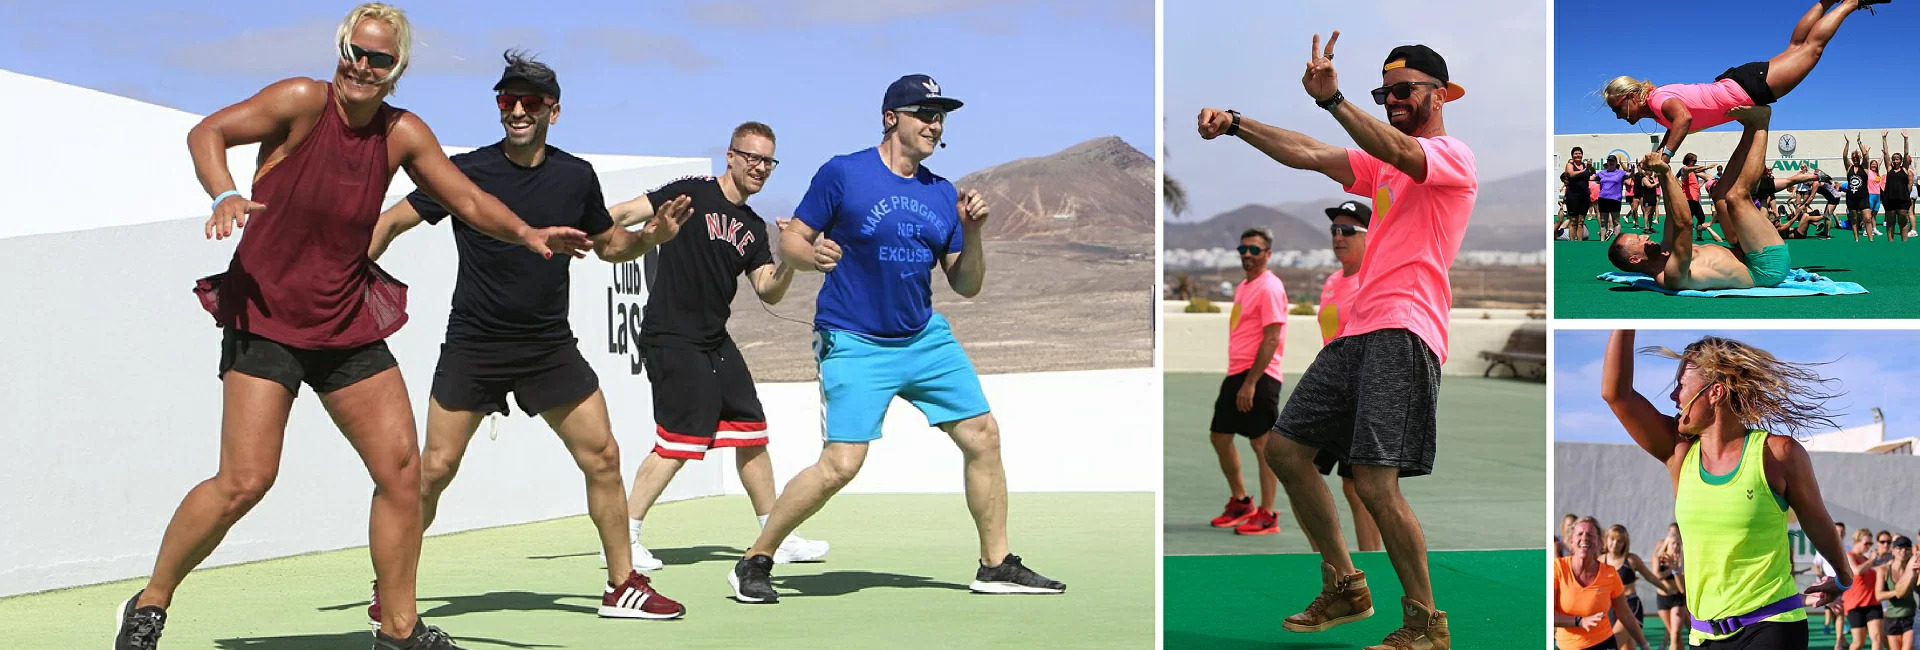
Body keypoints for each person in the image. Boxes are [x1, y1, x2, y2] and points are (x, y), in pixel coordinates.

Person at [113, 6, 595, 650]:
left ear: (397, 71)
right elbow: (207, 133)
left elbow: (469, 200)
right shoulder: (299, 101)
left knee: (402, 471)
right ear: (341, 52)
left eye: (379, 59)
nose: (363, 68)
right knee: (245, 480)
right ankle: (150, 602)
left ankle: (398, 628)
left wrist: (529, 233)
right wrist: (223, 192)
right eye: (355, 53)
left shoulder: (402, 133)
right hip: (267, 317)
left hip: (346, 322)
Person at [362, 50, 688, 623]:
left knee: (604, 457)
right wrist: (345, 277)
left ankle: (622, 587)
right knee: (432, 469)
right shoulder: (465, 172)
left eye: (529, 102)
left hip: (547, 348)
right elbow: (392, 220)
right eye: (506, 100)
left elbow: (609, 246)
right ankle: (390, 587)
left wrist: (650, 237)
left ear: (552, 112)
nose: (515, 109)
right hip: (474, 345)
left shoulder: (574, 176)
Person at [725, 74, 1066, 603]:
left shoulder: (942, 193)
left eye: (941, 115)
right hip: (854, 338)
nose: (934, 123)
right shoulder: (844, 173)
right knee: (842, 464)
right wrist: (808, 257)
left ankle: (995, 565)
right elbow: (792, 235)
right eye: (923, 113)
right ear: (891, 118)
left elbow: (967, 285)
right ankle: (756, 558)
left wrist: (973, 233)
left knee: (983, 434)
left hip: (924, 338)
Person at [1198, 35, 1477, 649]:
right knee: (1287, 453)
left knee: (1375, 484)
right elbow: (1310, 153)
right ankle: (1345, 584)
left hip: (1405, 330)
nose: (1392, 101)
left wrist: (1336, 100)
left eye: (1403, 90)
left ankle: (1426, 625)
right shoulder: (1382, 164)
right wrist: (1238, 122)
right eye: (1384, 93)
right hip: (1356, 333)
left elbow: (1402, 149)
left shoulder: (1452, 158)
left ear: (1444, 93)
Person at [605, 122, 831, 571]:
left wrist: (788, 259)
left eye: (768, 161)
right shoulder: (692, 191)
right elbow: (625, 212)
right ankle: (624, 537)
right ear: (730, 156)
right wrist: (589, 228)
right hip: (671, 336)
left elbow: (768, 289)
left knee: (751, 429)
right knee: (680, 440)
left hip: (714, 340)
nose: (760, 168)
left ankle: (775, 535)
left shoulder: (751, 225)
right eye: (752, 157)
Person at [1601, 330, 1852, 649]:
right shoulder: (1679, 454)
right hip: (1703, 634)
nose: (1673, 396)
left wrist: (1843, 578)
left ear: (1715, 392)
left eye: (1681, 386)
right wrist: (1624, 319)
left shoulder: (1777, 454)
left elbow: (1817, 520)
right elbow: (1616, 395)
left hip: (1772, 625)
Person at [1602, 0, 1886, 158]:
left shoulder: (1658, 99)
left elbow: (1684, 120)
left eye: (1617, 108)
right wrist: (1661, 151)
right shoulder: (1657, 104)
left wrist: (1665, 157)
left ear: (1629, 98)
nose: (1617, 116)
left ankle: (1850, 2)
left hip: (1748, 88)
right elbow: (1676, 125)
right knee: (1796, 48)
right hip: (1742, 82)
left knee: (1811, 50)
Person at [1607, 108, 1792, 290]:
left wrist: (1662, 163)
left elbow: (1672, 212)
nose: (1646, 236)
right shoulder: (1670, 276)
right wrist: (1666, 172)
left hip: (1743, 249)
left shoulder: (1664, 249)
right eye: (1640, 240)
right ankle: (1761, 125)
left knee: (1720, 194)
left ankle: (1750, 129)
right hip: (1765, 269)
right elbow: (1684, 223)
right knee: (1737, 197)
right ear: (1635, 259)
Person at [1207, 228, 1288, 536]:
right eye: (1243, 250)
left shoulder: (1270, 287)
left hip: (1260, 375)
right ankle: (1242, 502)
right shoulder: (1244, 286)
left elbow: (1271, 338)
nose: (1247, 256)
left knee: (1262, 445)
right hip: (1237, 372)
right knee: (1220, 436)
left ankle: (1268, 514)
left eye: (1254, 250)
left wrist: (1252, 383)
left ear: (1267, 254)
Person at [1314, 201, 1382, 553]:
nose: (1338, 237)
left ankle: (1369, 564)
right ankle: (1330, 558)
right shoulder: (1331, 281)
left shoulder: (1373, 281)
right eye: (1334, 231)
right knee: (1298, 464)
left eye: (1348, 231)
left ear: (1369, 237)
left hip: (1359, 396)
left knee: (1358, 488)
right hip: (1330, 391)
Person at [1557, 517, 1653, 650]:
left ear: (1598, 542)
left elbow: (1625, 614)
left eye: (1590, 535)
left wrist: (1644, 645)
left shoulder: (1610, 573)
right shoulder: (1557, 568)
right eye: (1580, 534)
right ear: (1571, 541)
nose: (1585, 537)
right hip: (1569, 646)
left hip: (1604, 643)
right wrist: (1579, 621)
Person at [1604, 524, 1666, 649]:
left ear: (1625, 543)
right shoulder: (1600, 560)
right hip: (1610, 609)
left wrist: (1668, 590)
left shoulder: (1631, 560)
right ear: (1606, 539)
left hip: (1630, 608)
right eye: (1612, 539)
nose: (1615, 544)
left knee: (1612, 645)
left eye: (1620, 541)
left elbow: (1650, 577)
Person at [1651, 524, 1690, 650]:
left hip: (1677, 599)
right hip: (1662, 599)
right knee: (1675, 636)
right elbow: (1656, 576)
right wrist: (1669, 570)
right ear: (1668, 541)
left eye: (1679, 543)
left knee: (1675, 634)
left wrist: (1676, 570)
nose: (1676, 546)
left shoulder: (1681, 558)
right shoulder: (1660, 556)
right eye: (1673, 543)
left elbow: (1682, 589)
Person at [1882, 537, 1919, 650]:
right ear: (1893, 550)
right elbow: (1879, 595)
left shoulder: (1913, 565)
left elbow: (1917, 589)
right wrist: (1897, 591)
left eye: (1907, 548)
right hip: (1892, 616)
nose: (1903, 551)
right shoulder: (1884, 570)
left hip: (1909, 615)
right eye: (1900, 547)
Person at [1880, 131, 1912, 242]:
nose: (1895, 161)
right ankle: (1890, 241)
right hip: (1890, 199)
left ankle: (1904, 241)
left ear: (1901, 160)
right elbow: (1886, 154)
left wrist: (1906, 139)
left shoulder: (1904, 169)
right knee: (1890, 221)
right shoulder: (1889, 169)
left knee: (1903, 221)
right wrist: (1884, 138)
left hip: (1903, 199)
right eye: (1893, 159)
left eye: (1897, 159)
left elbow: (1906, 153)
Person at [1847, 136, 1879, 242]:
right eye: (1854, 158)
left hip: (1863, 197)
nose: (1855, 159)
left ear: (1860, 159)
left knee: (1868, 218)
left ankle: (1871, 239)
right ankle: (1856, 239)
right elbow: (1843, 156)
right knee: (1854, 219)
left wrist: (1859, 143)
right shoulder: (1849, 168)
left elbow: (1865, 155)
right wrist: (1847, 143)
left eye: (1857, 158)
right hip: (1851, 197)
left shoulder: (1864, 167)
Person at [1597, 156, 1631, 240]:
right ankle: (1602, 240)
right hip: (1603, 199)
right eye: (1609, 161)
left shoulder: (1621, 173)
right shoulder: (1602, 173)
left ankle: (1617, 241)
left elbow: (1630, 175)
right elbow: (1591, 177)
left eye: (1612, 161)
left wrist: (1632, 169)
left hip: (1615, 199)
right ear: (1607, 163)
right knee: (1603, 221)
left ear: (1616, 163)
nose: (1611, 163)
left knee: (1616, 221)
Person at [1568, 149, 1595, 241]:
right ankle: (1572, 241)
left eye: (1579, 153)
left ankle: (1580, 242)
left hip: (1584, 196)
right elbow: (1571, 174)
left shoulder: (1585, 166)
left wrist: (1590, 167)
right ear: (1572, 155)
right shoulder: (1570, 165)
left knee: (1581, 221)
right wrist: (1583, 170)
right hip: (1573, 195)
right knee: (1573, 221)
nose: (1578, 155)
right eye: (1575, 153)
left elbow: (1593, 172)